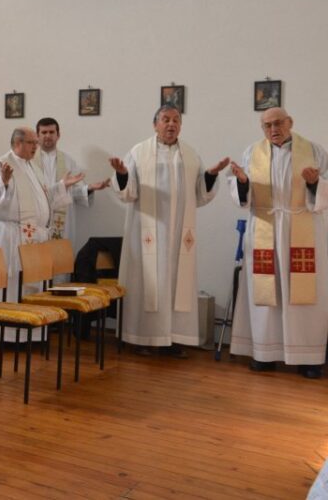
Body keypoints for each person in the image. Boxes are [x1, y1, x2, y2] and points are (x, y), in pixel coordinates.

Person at [109, 104, 228, 356]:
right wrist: (121, 174)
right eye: (165, 120)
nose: (171, 124)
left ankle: (173, 339)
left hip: (179, 237)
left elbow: (201, 194)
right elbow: (127, 193)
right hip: (147, 233)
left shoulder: (191, 155)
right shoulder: (138, 152)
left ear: (181, 125)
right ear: (155, 124)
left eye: (176, 120)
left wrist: (210, 175)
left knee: (177, 285)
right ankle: (143, 337)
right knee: (147, 284)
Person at [228, 107, 328, 378]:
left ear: (290, 123)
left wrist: (314, 183)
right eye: (267, 125)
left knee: (304, 295)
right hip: (265, 228)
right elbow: (243, 196)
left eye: (278, 123)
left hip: (302, 226)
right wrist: (242, 182)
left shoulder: (315, 151)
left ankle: (308, 358)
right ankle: (264, 353)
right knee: (265, 295)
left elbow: (325, 191)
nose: (273, 129)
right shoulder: (252, 152)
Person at [0, 127, 83, 341]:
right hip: (9, 236)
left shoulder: (33, 167)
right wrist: (2, 182)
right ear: (18, 143)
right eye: (32, 142)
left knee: (28, 283)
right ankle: (6, 335)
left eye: (36, 142)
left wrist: (62, 186)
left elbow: (41, 198)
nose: (37, 146)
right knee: (11, 281)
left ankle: (30, 334)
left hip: (32, 237)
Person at [32, 116, 109, 242]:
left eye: (51, 132)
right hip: (37, 217)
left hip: (61, 220)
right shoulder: (29, 162)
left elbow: (74, 193)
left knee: (60, 257)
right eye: (44, 132)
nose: (48, 136)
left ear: (58, 135)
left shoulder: (68, 162)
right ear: (37, 136)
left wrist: (89, 188)